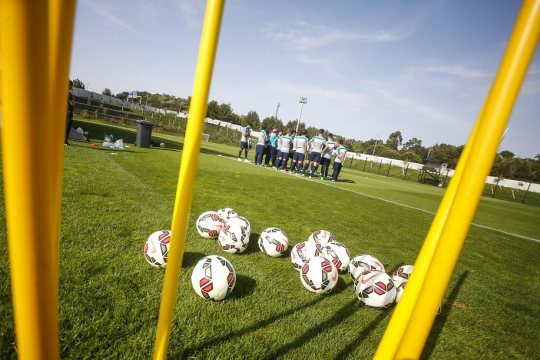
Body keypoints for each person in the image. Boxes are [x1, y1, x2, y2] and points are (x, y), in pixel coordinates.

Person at [65, 80, 74, 145]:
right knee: (68, 127)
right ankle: (65, 141)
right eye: (71, 86)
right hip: (68, 112)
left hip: (65, 111)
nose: (72, 87)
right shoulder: (69, 94)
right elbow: (72, 103)